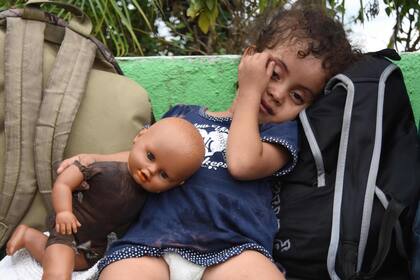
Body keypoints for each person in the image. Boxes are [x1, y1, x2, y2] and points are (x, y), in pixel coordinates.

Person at [57, 3, 360, 280]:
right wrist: (94, 159)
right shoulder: (183, 116)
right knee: (122, 274)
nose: (278, 94)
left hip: (234, 249)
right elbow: (143, 157)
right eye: (275, 73)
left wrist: (251, 91)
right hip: (153, 243)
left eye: (297, 96)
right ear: (250, 60)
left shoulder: (279, 136)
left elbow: (242, 163)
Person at [5, 117, 205, 280]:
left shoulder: (149, 198)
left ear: (176, 184)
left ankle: (29, 237)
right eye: (150, 156)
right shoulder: (106, 168)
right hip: (69, 228)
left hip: (94, 245)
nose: (149, 171)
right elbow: (64, 182)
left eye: (164, 175)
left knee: (78, 263)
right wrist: (64, 212)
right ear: (139, 137)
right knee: (58, 272)